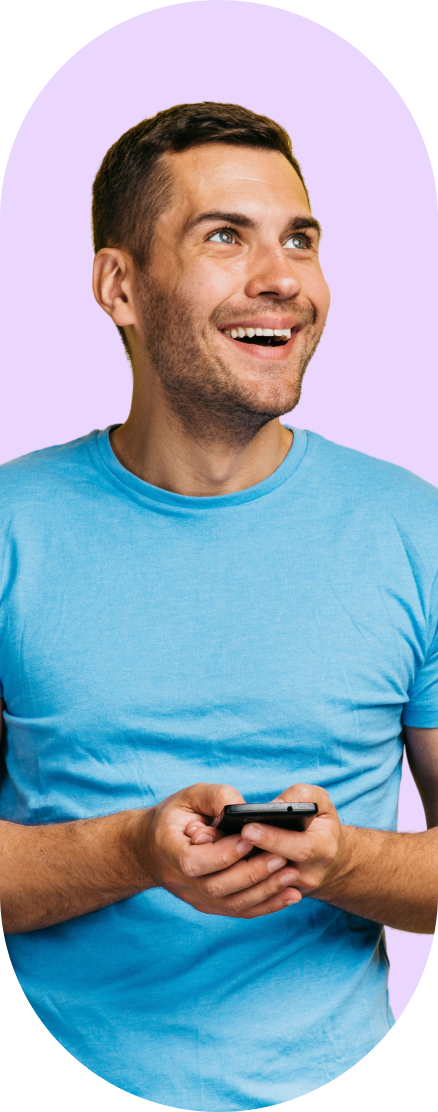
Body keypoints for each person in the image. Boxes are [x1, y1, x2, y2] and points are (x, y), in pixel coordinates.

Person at [0, 101, 437, 1109]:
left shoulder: (416, 531)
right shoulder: (13, 527)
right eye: (225, 237)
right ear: (120, 286)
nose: (284, 278)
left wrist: (342, 860)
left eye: (301, 239)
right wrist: (134, 850)